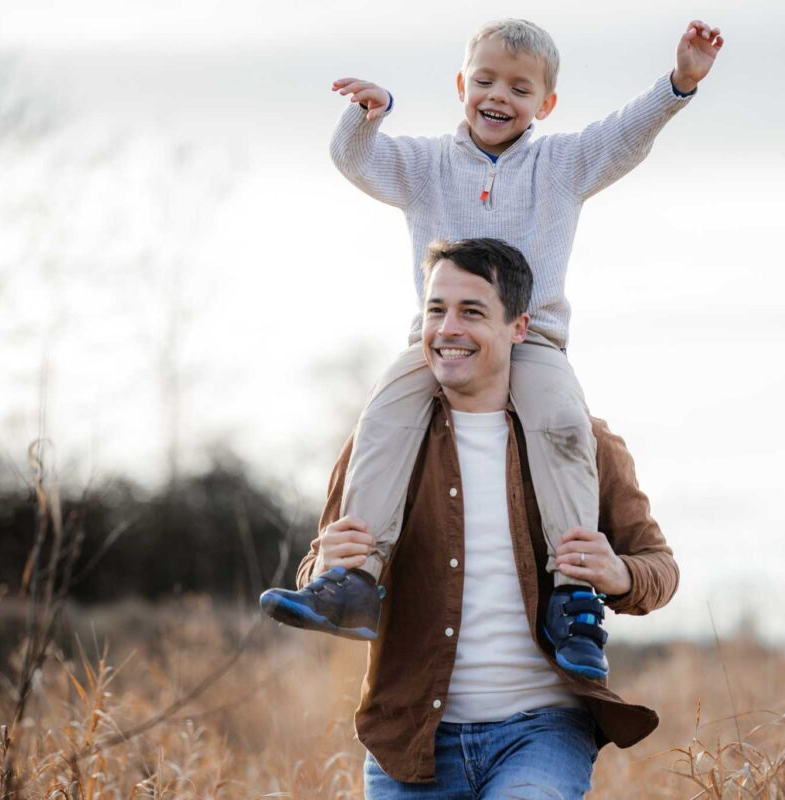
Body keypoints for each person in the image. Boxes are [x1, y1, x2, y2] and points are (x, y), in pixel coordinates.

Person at [261, 17, 720, 679]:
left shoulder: (561, 166)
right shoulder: (424, 167)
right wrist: (369, 115)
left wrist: (678, 84)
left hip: (535, 346)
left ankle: (571, 595)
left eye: (519, 87)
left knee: (563, 425)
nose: (497, 95)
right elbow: (355, 161)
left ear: (545, 104)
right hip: (436, 344)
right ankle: (355, 579)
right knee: (384, 414)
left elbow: (623, 136)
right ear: (461, 85)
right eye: (484, 81)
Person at [264, 239, 678, 797]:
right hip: (412, 738)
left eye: (472, 312)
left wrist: (620, 575)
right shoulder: (381, 445)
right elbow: (317, 567)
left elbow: (660, 567)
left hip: (543, 731)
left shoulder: (581, 439)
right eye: (436, 310)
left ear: (519, 327)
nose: (448, 329)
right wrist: (322, 567)